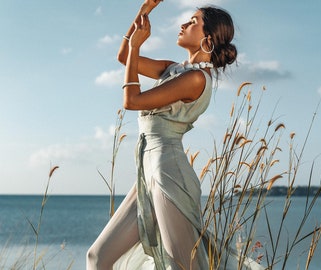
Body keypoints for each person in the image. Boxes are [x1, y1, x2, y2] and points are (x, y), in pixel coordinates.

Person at [87, 0, 238, 269]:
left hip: (169, 173)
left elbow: (132, 100)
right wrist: (142, 12)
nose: (183, 24)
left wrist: (137, 46)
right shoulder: (173, 69)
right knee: (98, 257)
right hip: (147, 171)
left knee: (181, 265)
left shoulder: (195, 80)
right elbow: (124, 59)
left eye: (193, 22)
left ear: (208, 39)